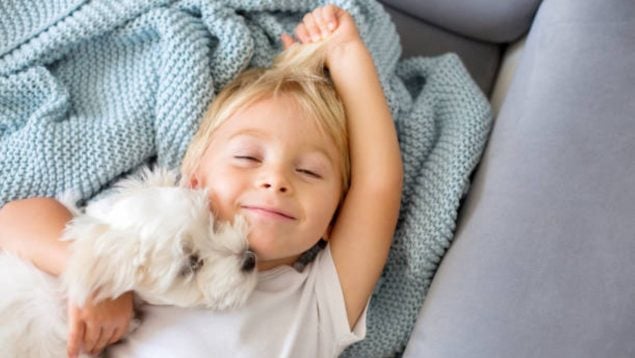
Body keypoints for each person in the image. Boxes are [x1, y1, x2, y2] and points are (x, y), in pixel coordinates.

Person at [0, 4, 402, 357]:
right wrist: (97, 280)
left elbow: (376, 184)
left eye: (310, 172)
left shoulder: (320, 301)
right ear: (194, 182)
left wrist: (347, 55)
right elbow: (14, 220)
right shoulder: (162, 235)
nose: (275, 180)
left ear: (335, 217)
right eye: (248, 157)